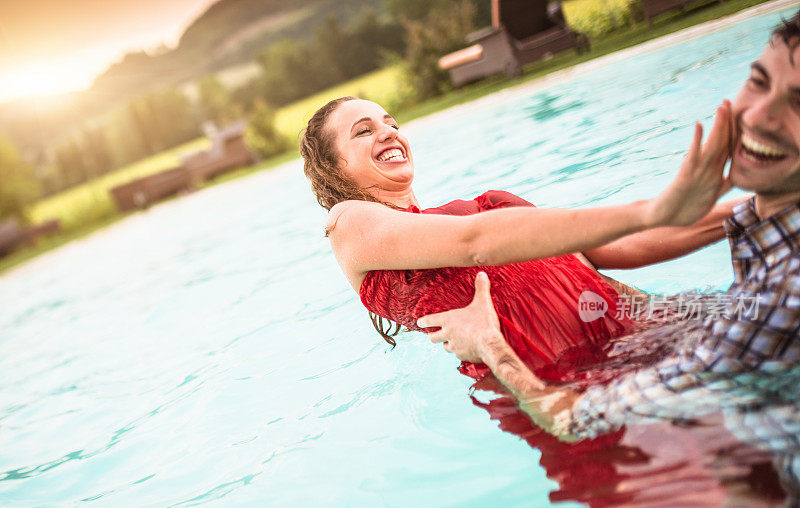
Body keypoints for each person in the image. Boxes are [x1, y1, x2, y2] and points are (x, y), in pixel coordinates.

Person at [417, 11, 800, 439]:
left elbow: (573, 420)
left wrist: (488, 344)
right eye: (759, 82)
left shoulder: (784, 294)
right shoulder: (767, 227)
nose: (759, 116)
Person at [301, 90, 742, 385]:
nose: (388, 132)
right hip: (566, 384)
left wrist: (750, 214)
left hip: (652, 331)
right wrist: (654, 208)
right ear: (333, 167)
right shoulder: (348, 224)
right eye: (363, 131)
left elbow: (610, 252)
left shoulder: (494, 205)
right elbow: (471, 243)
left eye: (390, 121)